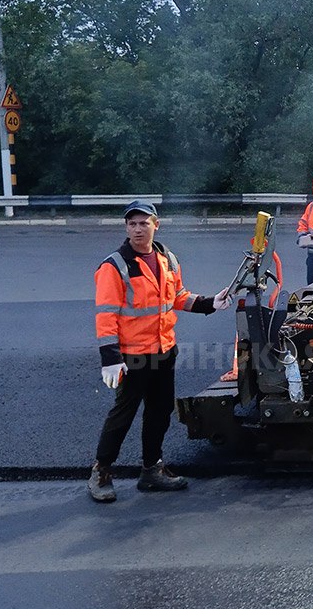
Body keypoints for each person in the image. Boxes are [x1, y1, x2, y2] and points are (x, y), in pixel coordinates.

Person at [89, 200, 231, 503]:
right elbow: (106, 315)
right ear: (126, 227)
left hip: (164, 351)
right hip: (131, 357)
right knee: (123, 414)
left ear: (157, 225)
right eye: (132, 224)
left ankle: (151, 470)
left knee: (159, 412)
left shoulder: (167, 259)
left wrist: (209, 303)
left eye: (144, 223)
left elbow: (177, 297)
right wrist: (110, 360)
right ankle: (101, 472)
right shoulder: (114, 266)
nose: (138, 229)